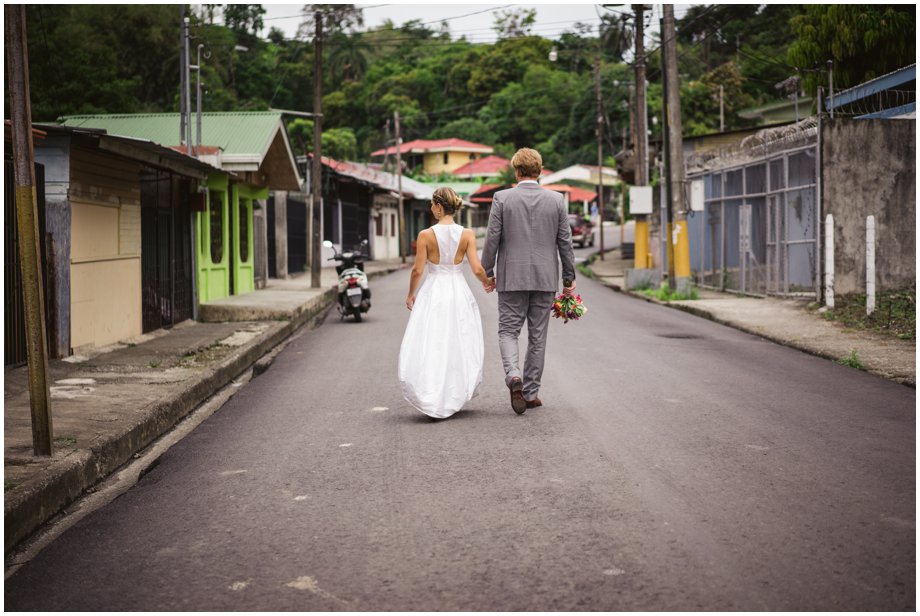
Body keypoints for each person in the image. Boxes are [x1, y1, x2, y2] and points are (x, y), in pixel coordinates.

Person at [480, 148, 576, 414]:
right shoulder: (556, 200)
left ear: (516, 171)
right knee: (538, 336)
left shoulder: (502, 198)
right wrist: (568, 277)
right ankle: (531, 393)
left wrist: (487, 270)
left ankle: (513, 376)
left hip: (512, 277)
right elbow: (565, 242)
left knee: (508, 331)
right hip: (545, 278)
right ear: (540, 170)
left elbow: (492, 238)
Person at [398, 187, 494, 419]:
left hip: (434, 292)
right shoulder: (467, 234)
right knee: (458, 341)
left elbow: (417, 270)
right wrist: (487, 282)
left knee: (433, 341)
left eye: (432, 204)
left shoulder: (425, 235)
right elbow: (477, 269)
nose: (431, 208)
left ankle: (431, 392)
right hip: (458, 292)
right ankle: (454, 392)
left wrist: (411, 294)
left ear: (439, 206)